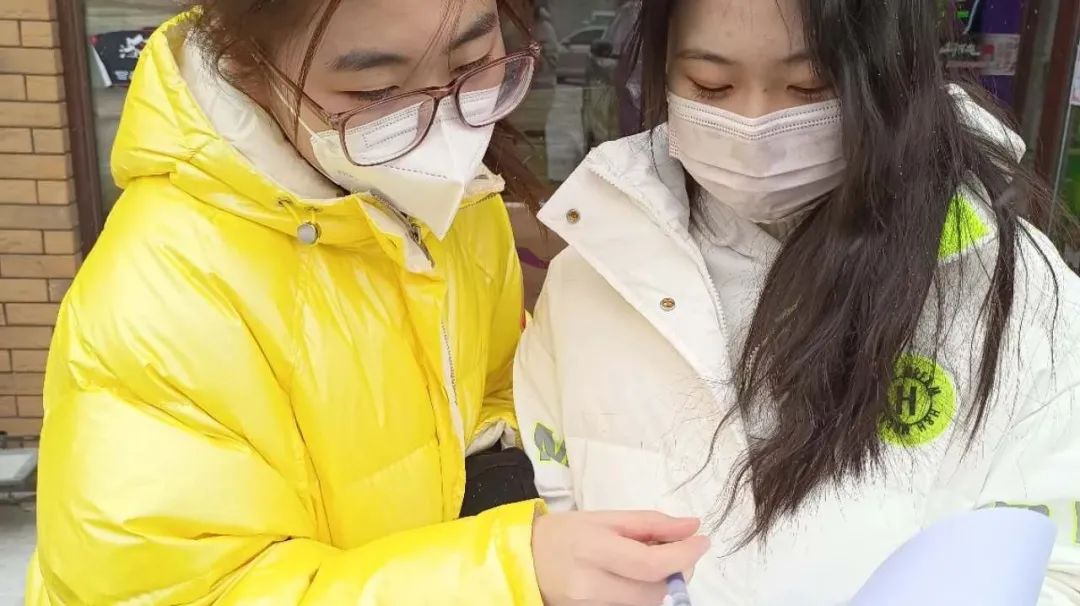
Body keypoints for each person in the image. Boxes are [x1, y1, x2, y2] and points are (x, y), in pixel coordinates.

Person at [26, 1, 707, 604]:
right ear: (247, 64)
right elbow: (190, 591)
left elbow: (491, 382)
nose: (445, 126)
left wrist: (505, 473)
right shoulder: (160, 303)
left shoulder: (453, 205)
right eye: (377, 91)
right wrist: (509, 573)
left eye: (473, 61)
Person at [514, 0, 1080, 603]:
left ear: (890, 73)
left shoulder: (1008, 289)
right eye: (710, 84)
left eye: (811, 87)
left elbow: (1059, 565)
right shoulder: (594, 273)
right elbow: (541, 520)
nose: (755, 126)